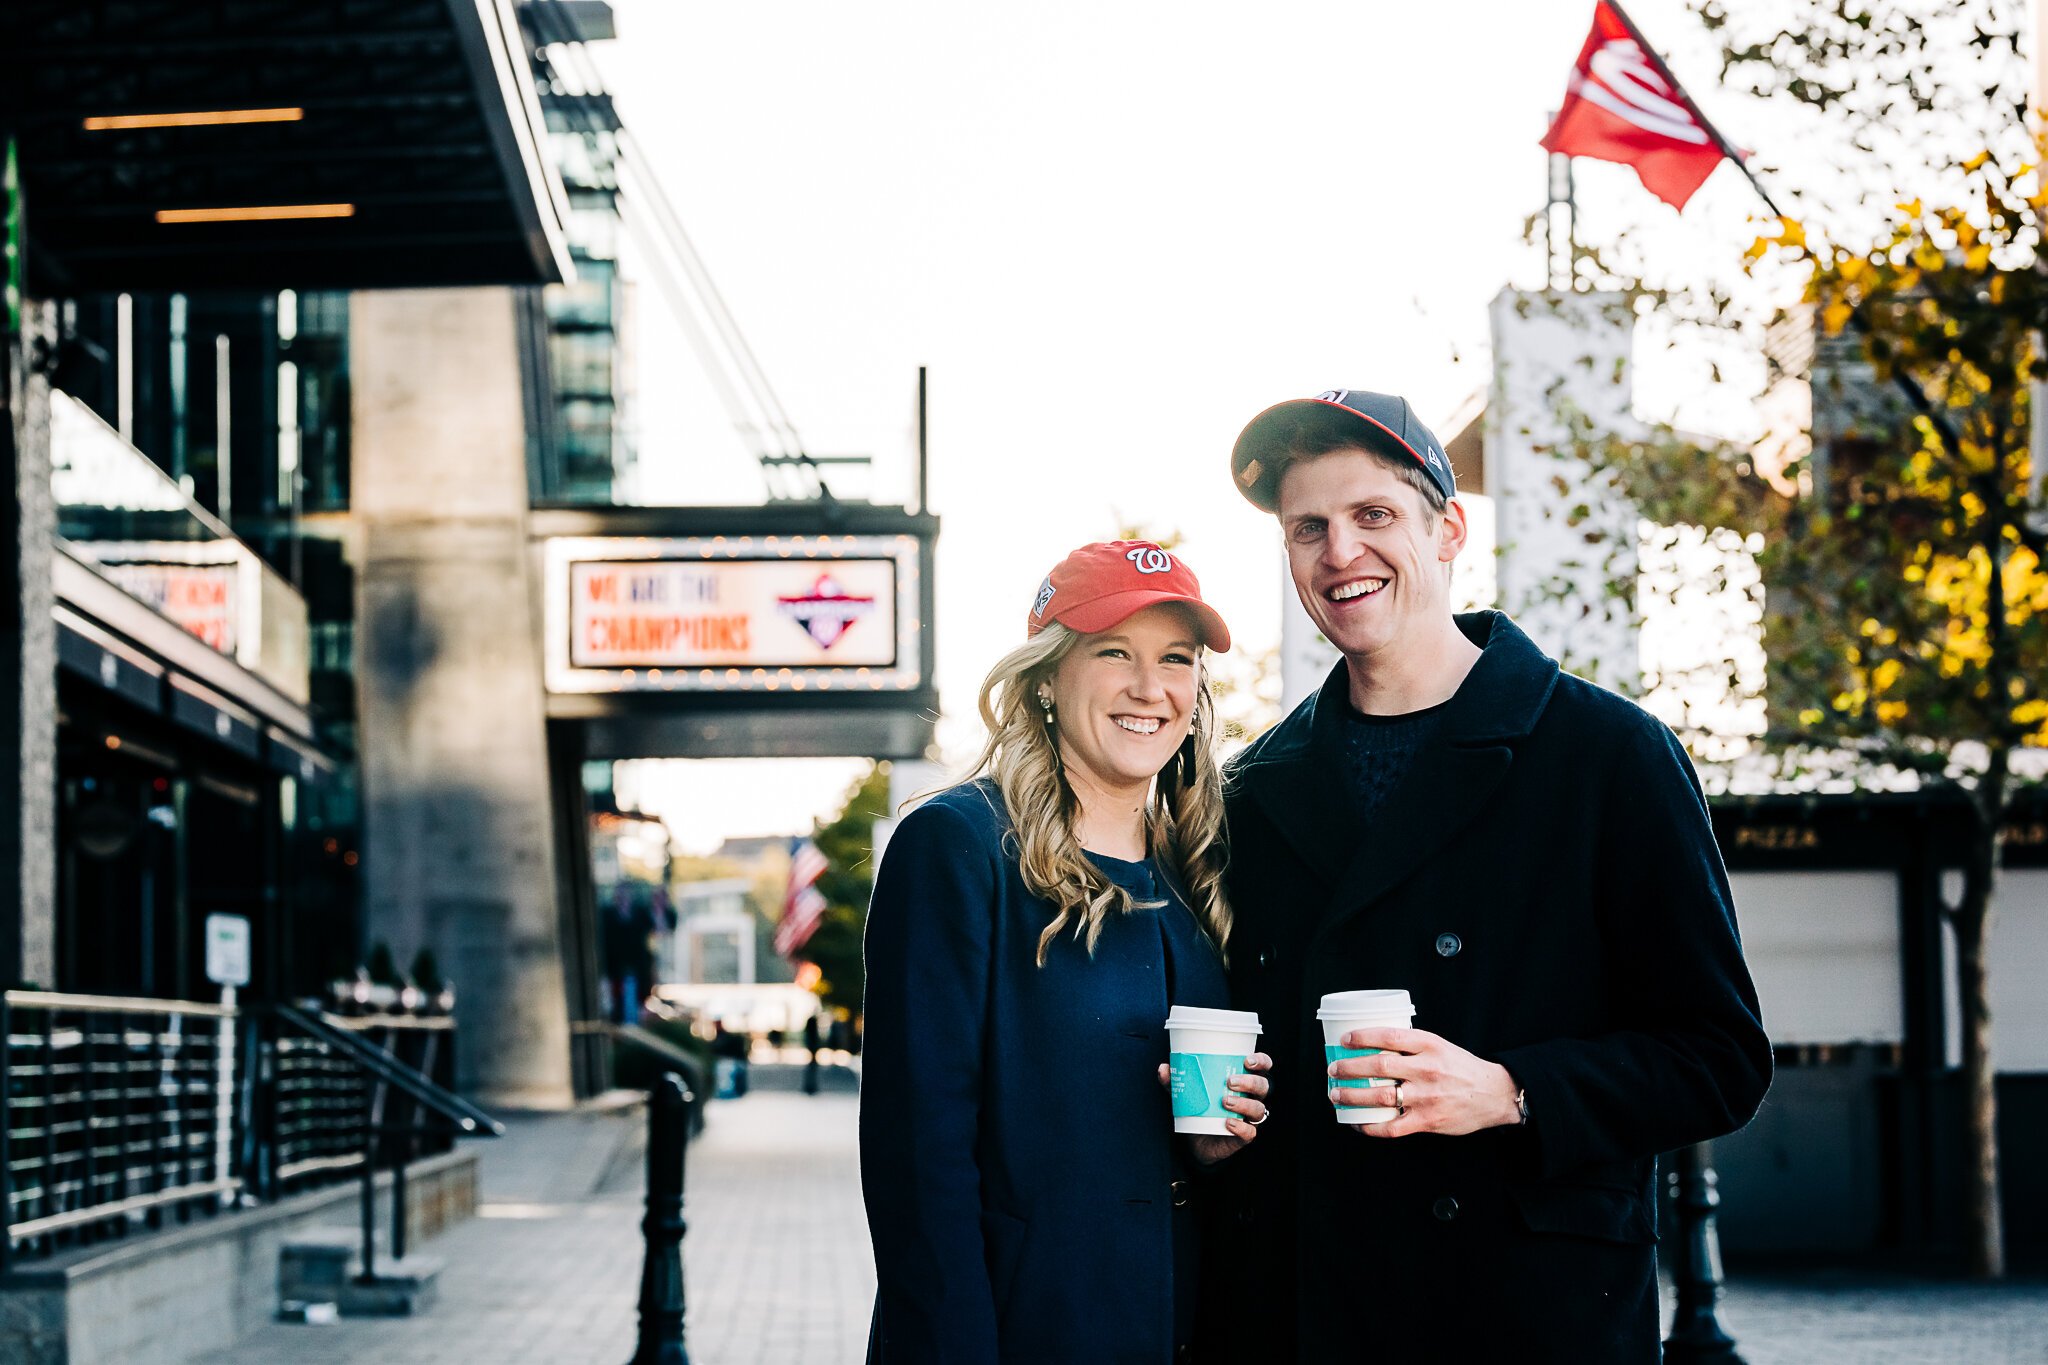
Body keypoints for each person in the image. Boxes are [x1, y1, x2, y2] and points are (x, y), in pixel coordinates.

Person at [1204, 390, 1771, 1363]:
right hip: (1304, 1315)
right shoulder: (1251, 789)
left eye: (1372, 515)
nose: (1338, 552)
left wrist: (1511, 1090)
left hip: (1524, 1316)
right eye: (1308, 528)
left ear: (1447, 528)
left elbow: (1716, 1058)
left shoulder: (1606, 754)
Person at [861, 541, 1272, 1365]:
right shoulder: (957, 844)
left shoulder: (1199, 866)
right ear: (1047, 677)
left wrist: (1215, 1144)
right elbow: (919, 1157)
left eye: (1176, 659)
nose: (1149, 687)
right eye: (1114, 651)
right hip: (1021, 1333)